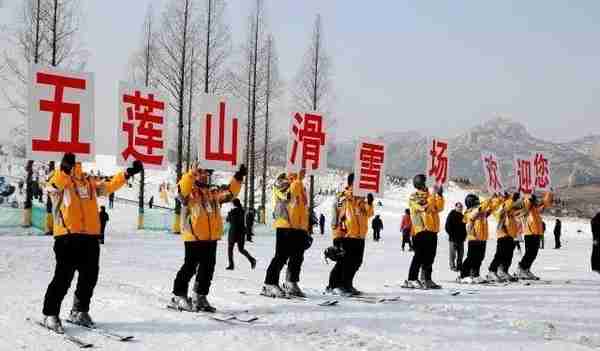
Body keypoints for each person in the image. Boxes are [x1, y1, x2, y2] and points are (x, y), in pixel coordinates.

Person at [41, 153, 141, 333]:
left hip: (90, 237)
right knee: (63, 278)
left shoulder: (88, 182)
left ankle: (79, 311)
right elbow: (53, 187)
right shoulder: (57, 178)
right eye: (74, 161)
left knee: (89, 277)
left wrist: (127, 174)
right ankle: (50, 313)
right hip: (67, 236)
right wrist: (64, 170)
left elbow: (108, 187)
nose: (77, 163)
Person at [168, 164, 246, 313]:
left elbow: (230, 194)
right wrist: (191, 173)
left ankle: (200, 296)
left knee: (208, 268)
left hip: (211, 237)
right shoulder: (188, 191)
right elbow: (181, 190)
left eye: (207, 173)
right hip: (193, 236)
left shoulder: (212, 192)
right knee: (189, 267)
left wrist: (238, 178)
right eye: (202, 173)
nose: (205, 176)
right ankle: (178, 295)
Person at [262, 170, 311, 298]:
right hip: (285, 222)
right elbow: (288, 196)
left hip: (298, 226)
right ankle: (269, 284)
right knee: (281, 255)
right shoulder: (282, 181)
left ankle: (291, 282)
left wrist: (306, 225)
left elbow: (303, 205)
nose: (303, 172)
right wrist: (297, 181)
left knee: (297, 256)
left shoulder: (300, 185)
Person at [327, 173, 374, 296]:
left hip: (359, 236)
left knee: (356, 262)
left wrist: (370, 202)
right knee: (343, 262)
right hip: (346, 236)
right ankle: (333, 286)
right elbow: (336, 217)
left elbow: (368, 214)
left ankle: (347, 284)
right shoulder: (342, 198)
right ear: (352, 183)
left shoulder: (361, 200)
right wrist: (336, 237)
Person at [402, 174, 444, 289]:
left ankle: (426, 279)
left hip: (432, 230)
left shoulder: (430, 195)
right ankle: (411, 279)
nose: (426, 185)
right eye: (424, 183)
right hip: (420, 230)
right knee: (419, 256)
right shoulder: (414, 196)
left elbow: (439, 208)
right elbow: (425, 207)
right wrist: (434, 195)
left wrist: (439, 195)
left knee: (430, 256)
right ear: (419, 184)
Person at [458, 194, 498, 283]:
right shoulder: (469, 212)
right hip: (474, 238)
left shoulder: (481, 212)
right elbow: (480, 208)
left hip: (482, 238)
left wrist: (496, 199)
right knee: (471, 258)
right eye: (476, 202)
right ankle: (463, 275)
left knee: (480, 257)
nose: (478, 203)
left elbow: (491, 208)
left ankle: (475, 274)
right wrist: (489, 198)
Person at [487, 192, 523, 282]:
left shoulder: (510, 209)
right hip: (502, 233)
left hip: (510, 234)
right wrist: (511, 199)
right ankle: (492, 271)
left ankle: (503, 271)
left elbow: (520, 208)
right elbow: (505, 208)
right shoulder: (501, 207)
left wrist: (518, 200)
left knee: (508, 255)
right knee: (500, 254)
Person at [517, 192, 553, 280]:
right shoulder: (526, 207)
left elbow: (545, 203)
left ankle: (526, 269)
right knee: (529, 253)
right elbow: (525, 205)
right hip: (529, 232)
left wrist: (549, 193)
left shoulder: (534, 209)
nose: (536, 201)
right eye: (534, 199)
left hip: (537, 232)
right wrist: (529, 198)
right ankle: (521, 269)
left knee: (533, 253)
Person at [225, 198, 256, 271]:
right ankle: (252, 260)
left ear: (234, 204)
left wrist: (229, 214)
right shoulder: (243, 211)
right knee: (241, 249)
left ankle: (231, 265)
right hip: (241, 232)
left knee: (230, 249)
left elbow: (228, 220)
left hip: (233, 232)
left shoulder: (232, 212)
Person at [445, 202, 466, 272]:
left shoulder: (463, 216)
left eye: (461, 207)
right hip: (453, 239)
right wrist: (451, 234)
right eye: (459, 207)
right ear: (456, 207)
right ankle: (452, 266)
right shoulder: (451, 215)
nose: (460, 208)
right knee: (452, 254)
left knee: (461, 254)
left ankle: (459, 266)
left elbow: (464, 227)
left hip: (461, 239)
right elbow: (447, 226)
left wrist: (464, 236)